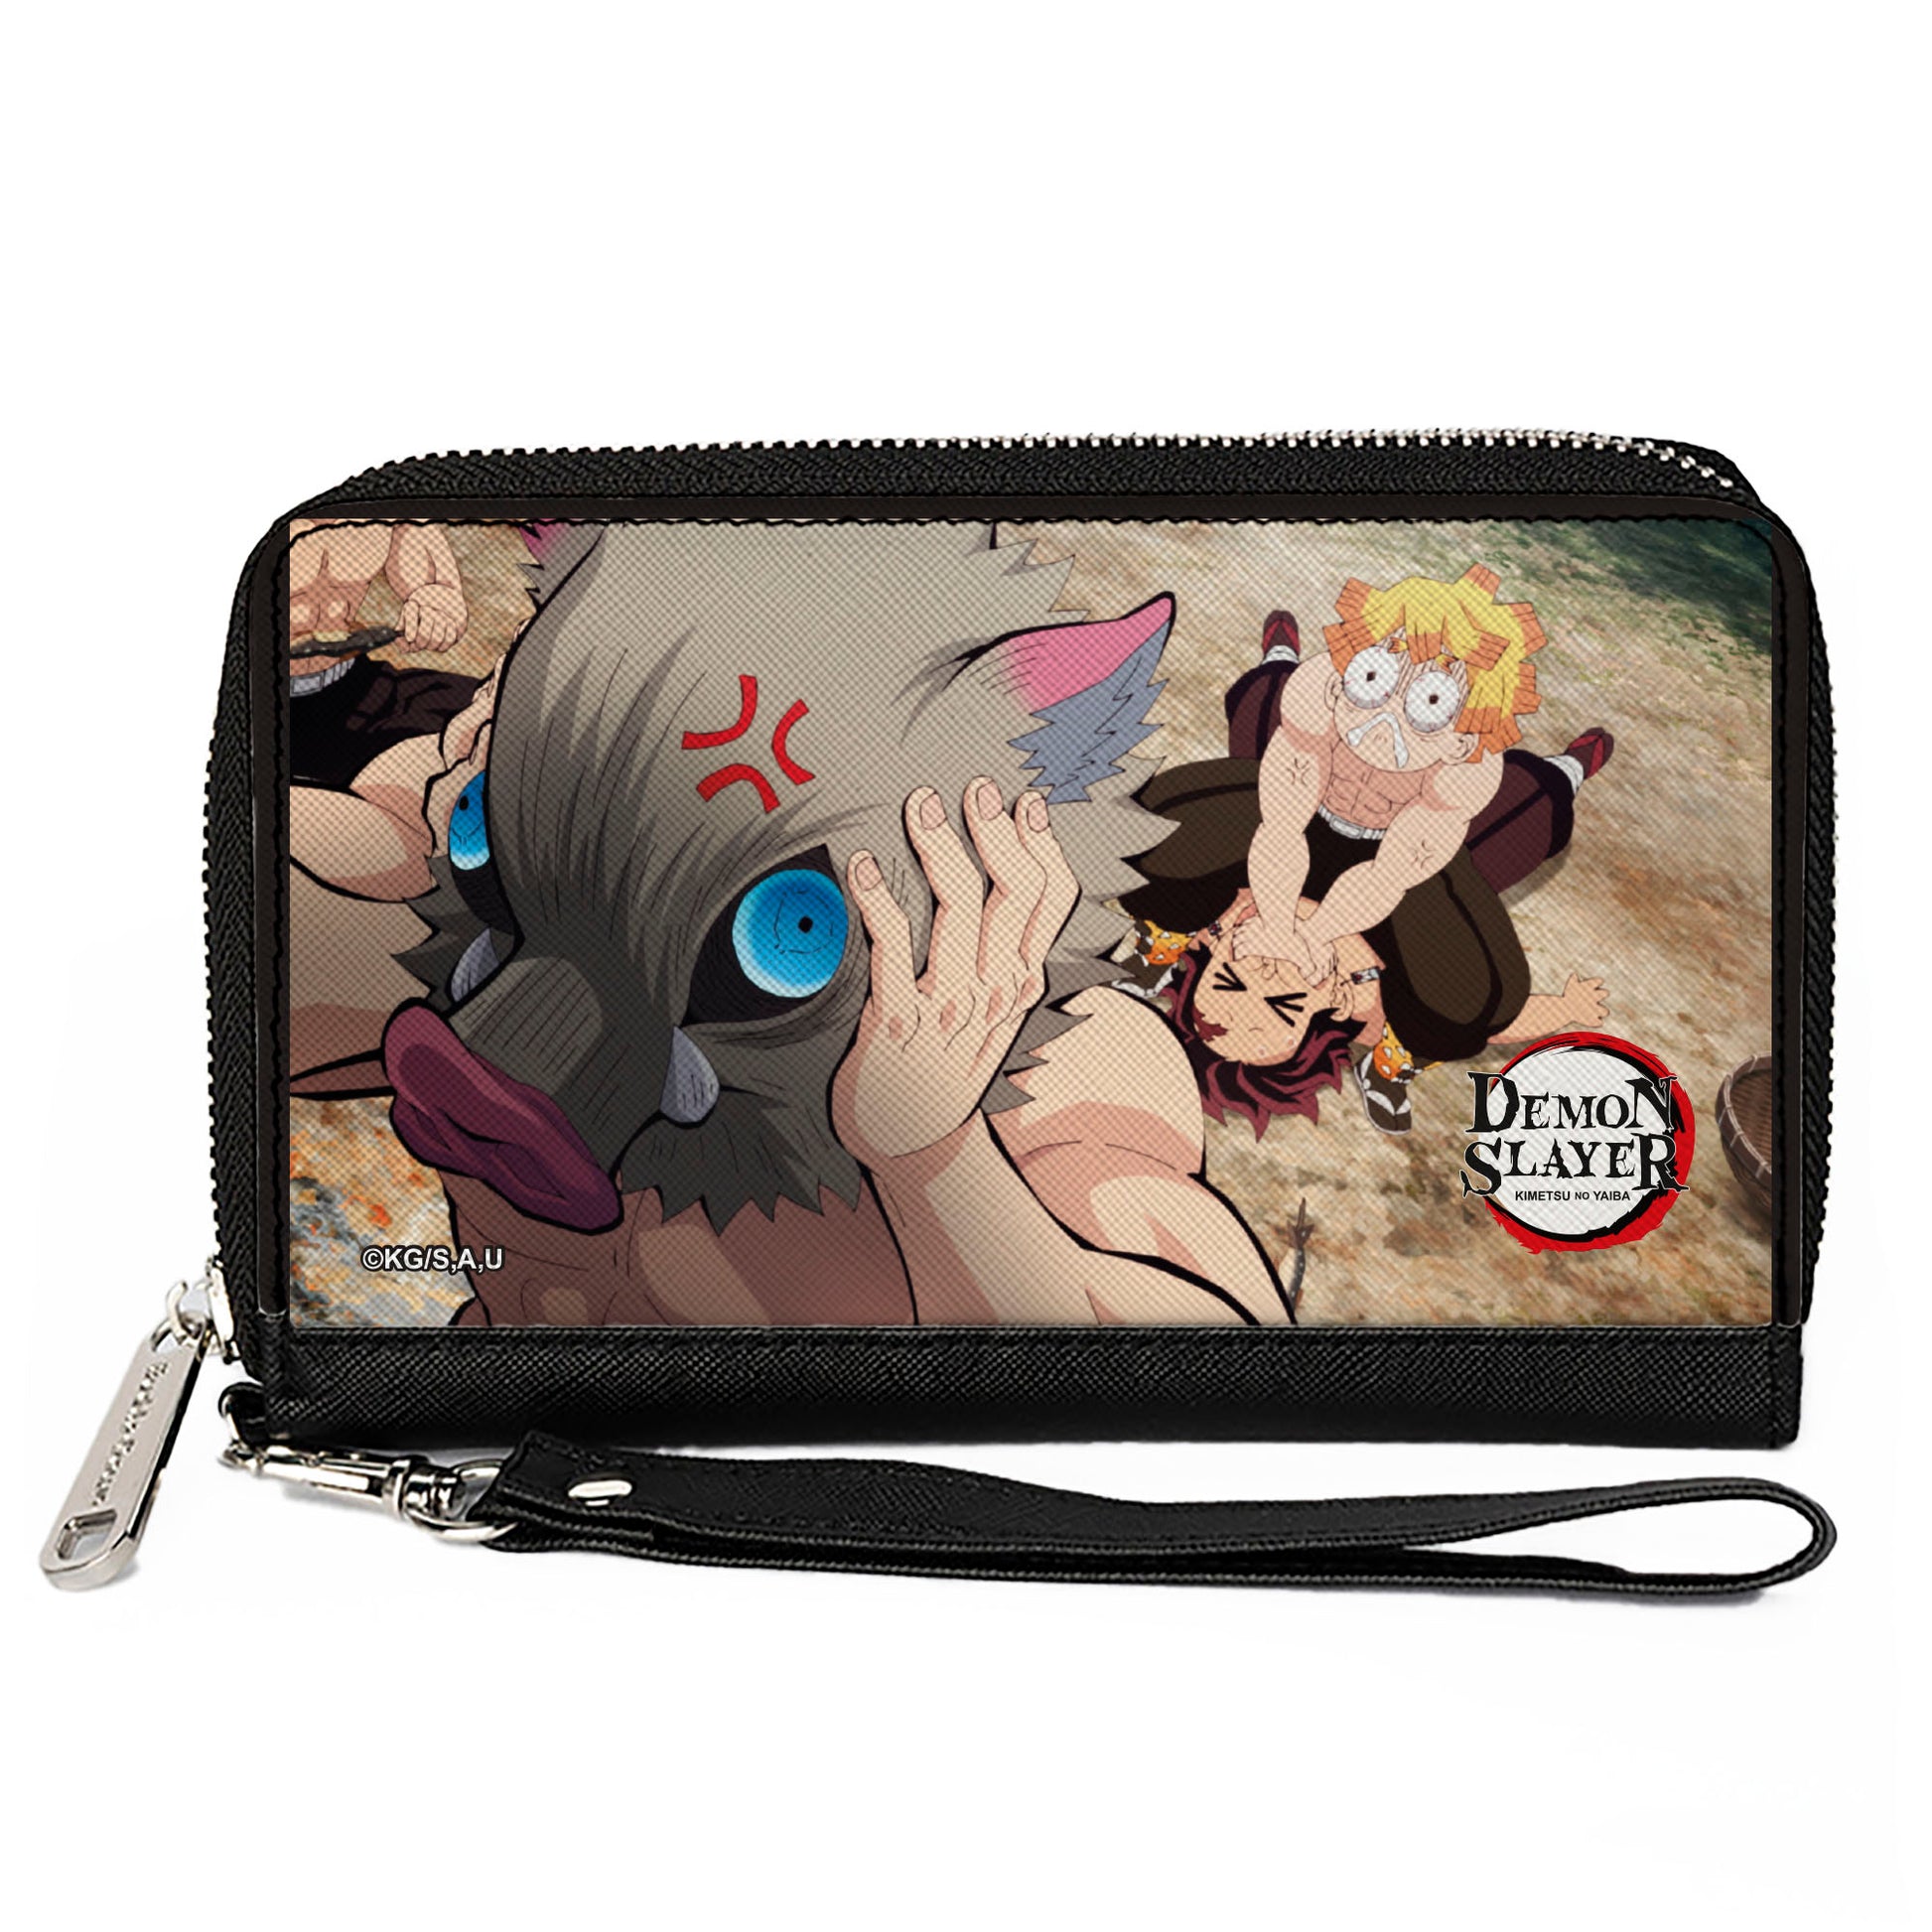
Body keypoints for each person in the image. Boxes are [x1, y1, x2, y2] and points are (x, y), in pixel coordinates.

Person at [1121, 592, 1612, 1135]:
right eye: (1284, 1003)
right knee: (1467, 985)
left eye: (1231, 982)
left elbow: (1284, 826)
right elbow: (1491, 1016)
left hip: (1316, 823)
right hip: (1393, 870)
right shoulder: (1366, 1006)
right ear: (1331, 1005)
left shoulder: (1321, 692)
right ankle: (1565, 771)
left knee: (1221, 764)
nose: (1265, 974)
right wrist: (1566, 1009)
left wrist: (1283, 926)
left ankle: (1279, 659)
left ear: (1210, 955)